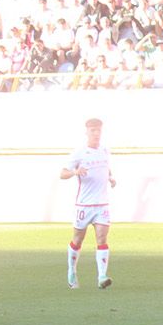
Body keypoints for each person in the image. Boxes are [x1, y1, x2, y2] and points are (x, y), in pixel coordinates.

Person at [61, 117, 115, 289]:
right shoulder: (79, 153)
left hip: (102, 204)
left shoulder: (105, 150)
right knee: (77, 239)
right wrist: (76, 171)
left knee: (102, 237)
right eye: (93, 130)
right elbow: (62, 173)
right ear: (87, 132)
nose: (97, 133)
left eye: (99, 130)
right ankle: (71, 271)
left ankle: (102, 277)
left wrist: (111, 177)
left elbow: (106, 168)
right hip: (84, 205)